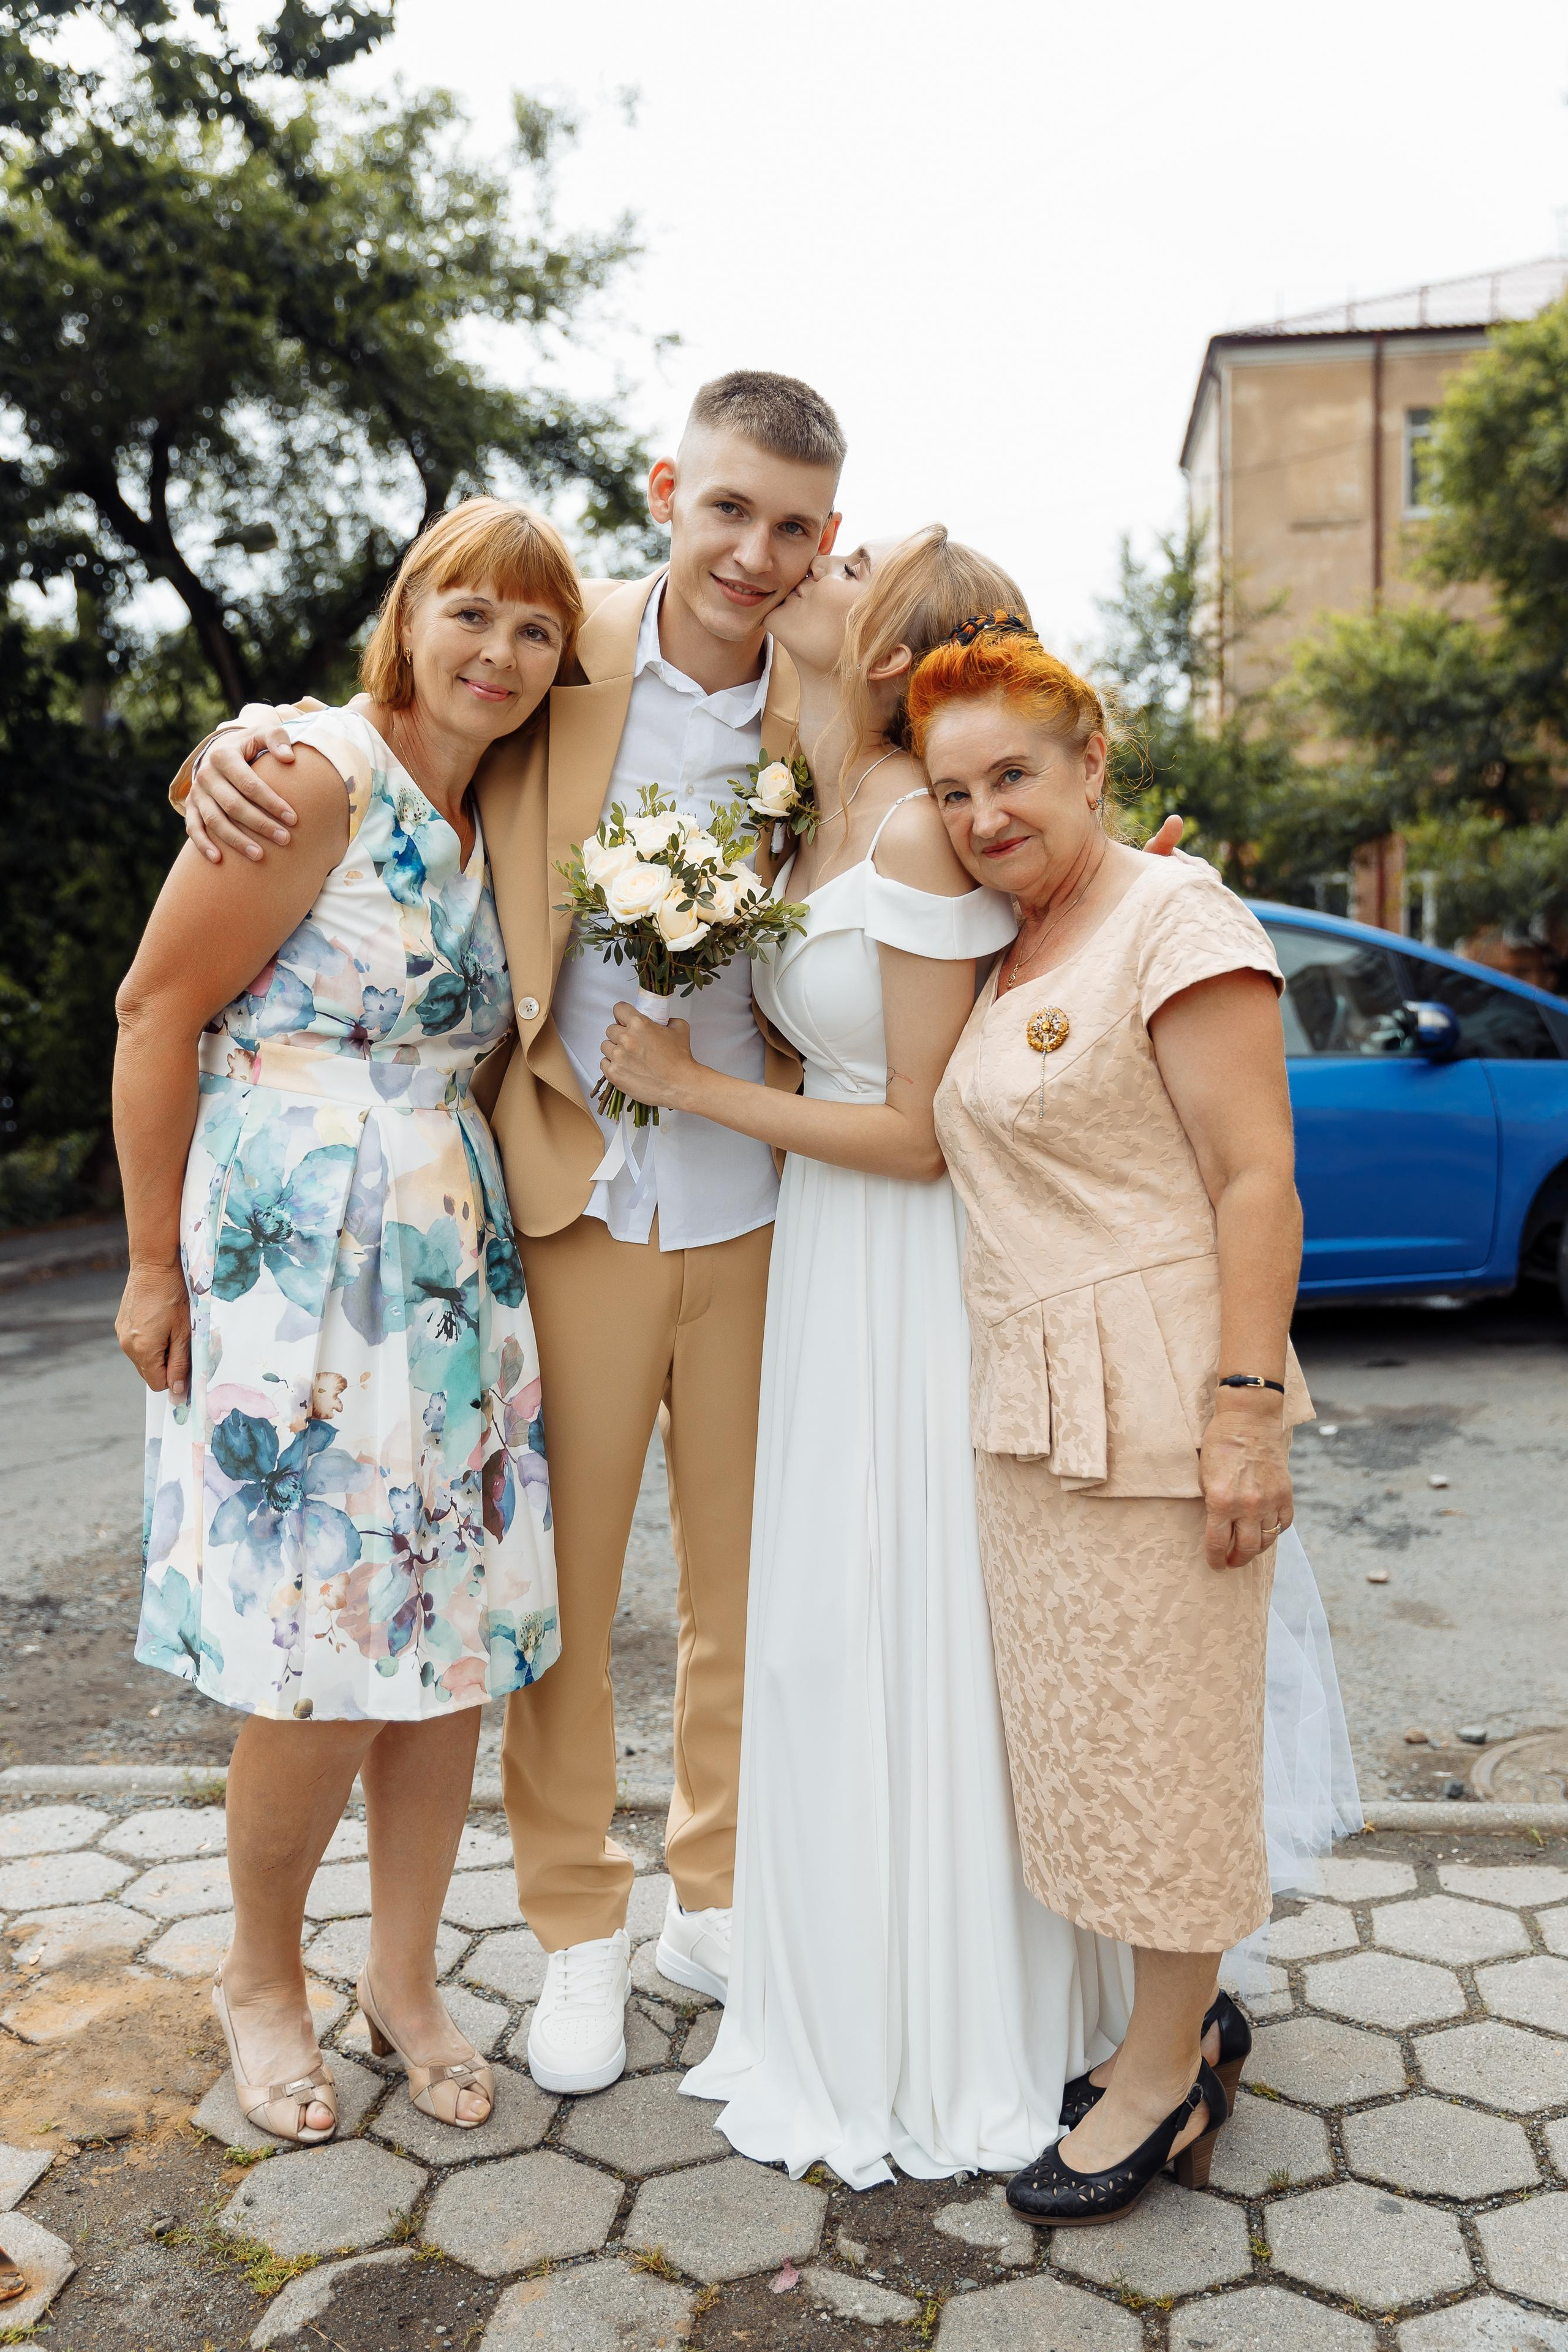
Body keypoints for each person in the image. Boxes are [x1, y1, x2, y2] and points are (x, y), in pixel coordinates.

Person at [163, 373, 846, 2094]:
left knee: (745, 1590)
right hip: (555, 1195)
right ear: (669, 492)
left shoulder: (837, 678)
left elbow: (988, 750)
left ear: (824, 539)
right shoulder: (558, 641)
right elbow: (389, 704)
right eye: (727, 509)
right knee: (555, 1601)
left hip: (765, 1197)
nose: (755, 554)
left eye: (792, 528)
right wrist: (233, 744)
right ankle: (572, 1930)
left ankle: (715, 1901)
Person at [597, 530, 1155, 2185]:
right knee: (830, 1621)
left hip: (901, 1256)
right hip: (826, 1254)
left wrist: (689, 1088)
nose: (813, 565)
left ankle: (947, 2011)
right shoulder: (820, 805)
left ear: (888, 645)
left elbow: (918, 1132)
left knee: (903, 1612)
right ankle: (837, 1970)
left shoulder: (916, 826)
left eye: (850, 565)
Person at [116, 498, 575, 2141]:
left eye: (536, 628)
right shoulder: (311, 772)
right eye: (471, 613)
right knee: (318, 1650)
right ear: (409, 614)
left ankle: (404, 1978)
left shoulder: (499, 801)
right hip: (295, 1263)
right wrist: (151, 1266)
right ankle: (259, 1975)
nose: (500, 652)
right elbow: (155, 1008)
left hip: (447, 1271)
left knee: (442, 1644)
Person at [914, 616, 1357, 2222]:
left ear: (1090, 761)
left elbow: (1257, 1179)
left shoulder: (1178, 916)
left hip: (1165, 1395)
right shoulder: (1018, 942)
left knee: (1171, 1746)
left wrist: (1245, 1412)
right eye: (956, 792)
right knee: (1101, 1736)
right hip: (1042, 1405)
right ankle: (1181, 2024)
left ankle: (1164, 2082)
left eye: (1014, 776)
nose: (985, 816)